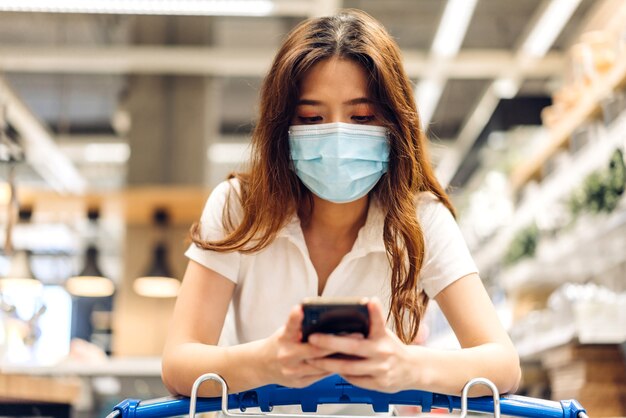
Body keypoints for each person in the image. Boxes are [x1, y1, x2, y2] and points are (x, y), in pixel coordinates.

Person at [162, 9, 521, 400]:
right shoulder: (238, 209)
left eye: (362, 116)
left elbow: (503, 365)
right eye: (312, 117)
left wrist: (406, 366)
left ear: (394, 123)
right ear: (283, 127)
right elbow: (179, 363)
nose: (337, 135)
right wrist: (266, 361)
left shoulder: (421, 220)